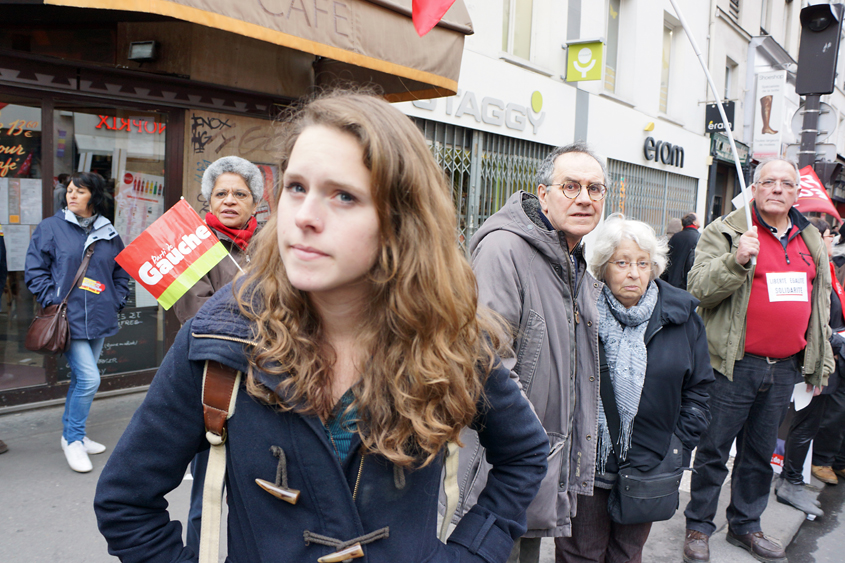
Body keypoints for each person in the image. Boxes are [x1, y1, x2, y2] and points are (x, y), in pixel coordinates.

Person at [94, 92, 549, 562]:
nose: (305, 217)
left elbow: (524, 456)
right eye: (296, 187)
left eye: (344, 195)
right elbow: (125, 503)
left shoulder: (449, 337)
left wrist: (469, 555)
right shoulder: (220, 339)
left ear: (401, 219)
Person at [683, 158, 834, 563]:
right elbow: (697, 288)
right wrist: (736, 260)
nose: (778, 189)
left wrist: (818, 361)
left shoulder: (811, 238)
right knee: (714, 451)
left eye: (787, 184)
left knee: (760, 454)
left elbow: (819, 304)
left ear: (796, 193)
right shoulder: (727, 230)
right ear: (755, 189)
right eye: (770, 182)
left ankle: (746, 526)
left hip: (783, 366)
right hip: (734, 364)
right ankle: (699, 526)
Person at [460, 142, 604, 563]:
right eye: (570, 186)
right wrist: (529, 448)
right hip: (501, 469)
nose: (583, 198)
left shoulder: (570, 256)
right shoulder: (505, 249)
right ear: (542, 194)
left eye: (595, 189)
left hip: (538, 467)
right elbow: (487, 362)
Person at [556, 214, 713, 562]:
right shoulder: (579, 312)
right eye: (622, 262)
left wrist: (676, 443)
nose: (633, 273)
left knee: (627, 554)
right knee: (580, 553)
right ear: (602, 267)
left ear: (654, 267)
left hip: (649, 463)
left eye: (643, 263)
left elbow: (700, 388)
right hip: (586, 462)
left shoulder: (682, 316)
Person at [173, 155, 264, 553]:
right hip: (215, 387)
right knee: (207, 498)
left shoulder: (271, 246)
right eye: (220, 192)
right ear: (208, 200)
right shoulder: (191, 249)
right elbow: (199, 319)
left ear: (254, 202)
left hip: (268, 389)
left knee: (262, 497)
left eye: (239, 193)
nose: (229, 200)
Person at [25, 171, 130, 473]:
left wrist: (116, 299)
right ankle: (72, 440)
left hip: (100, 316)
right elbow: (35, 269)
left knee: (82, 381)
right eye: (69, 190)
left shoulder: (109, 232)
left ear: (93, 197)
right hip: (68, 318)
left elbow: (121, 271)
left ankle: (76, 435)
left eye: (79, 191)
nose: (71, 195)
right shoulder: (51, 227)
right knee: (89, 379)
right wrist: (52, 299)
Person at [777, 217, 845, 517]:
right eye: (829, 235)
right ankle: (789, 479)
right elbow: (807, 319)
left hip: (826, 356)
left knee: (809, 423)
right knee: (803, 425)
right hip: (812, 358)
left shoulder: (828, 269)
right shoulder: (808, 271)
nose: (832, 239)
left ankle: (792, 478)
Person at [661, 212, 700, 290]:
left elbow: (667, 258)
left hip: (671, 281)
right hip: (687, 284)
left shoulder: (675, 237)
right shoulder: (698, 238)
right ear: (694, 222)